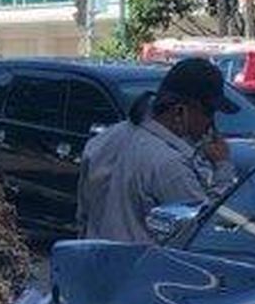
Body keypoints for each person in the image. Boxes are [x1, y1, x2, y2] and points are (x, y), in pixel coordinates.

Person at [78, 57, 239, 242]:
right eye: (208, 113)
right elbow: (202, 232)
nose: (211, 124)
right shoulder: (169, 165)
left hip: (95, 261)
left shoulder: (103, 140)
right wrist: (222, 168)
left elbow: (83, 217)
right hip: (140, 267)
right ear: (180, 111)